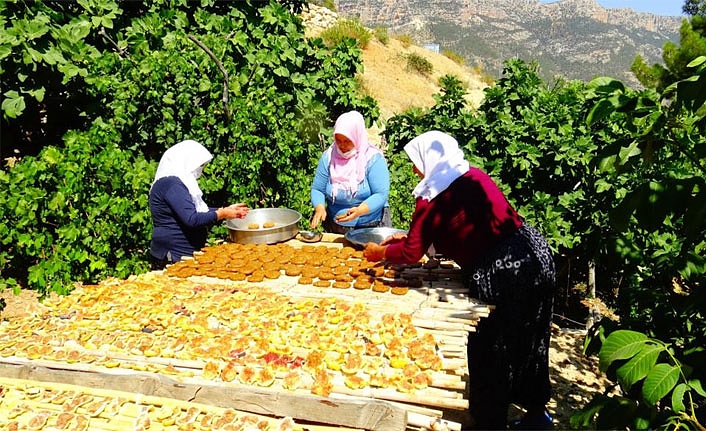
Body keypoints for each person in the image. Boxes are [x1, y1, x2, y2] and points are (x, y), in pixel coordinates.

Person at [363, 131, 556, 430]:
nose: (415, 170)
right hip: (534, 253)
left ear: (430, 161)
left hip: (501, 271)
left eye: (417, 163)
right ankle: (537, 415)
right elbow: (454, 228)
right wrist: (410, 239)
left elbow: (413, 251)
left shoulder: (433, 199)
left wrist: (380, 253)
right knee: (533, 337)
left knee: (491, 348)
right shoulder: (474, 177)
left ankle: (490, 422)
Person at [149, 140, 249, 270]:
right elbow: (192, 219)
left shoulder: (176, 183)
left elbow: (197, 211)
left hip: (185, 253)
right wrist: (222, 214)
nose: (201, 171)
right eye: (200, 165)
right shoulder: (171, 184)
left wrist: (225, 210)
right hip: (173, 255)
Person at [310, 110, 391, 234]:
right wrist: (319, 207)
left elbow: (380, 194)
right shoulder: (328, 157)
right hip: (336, 226)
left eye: (347, 141)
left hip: (370, 226)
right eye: (338, 140)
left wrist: (359, 211)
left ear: (357, 137)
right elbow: (318, 189)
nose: (342, 145)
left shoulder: (373, 159)